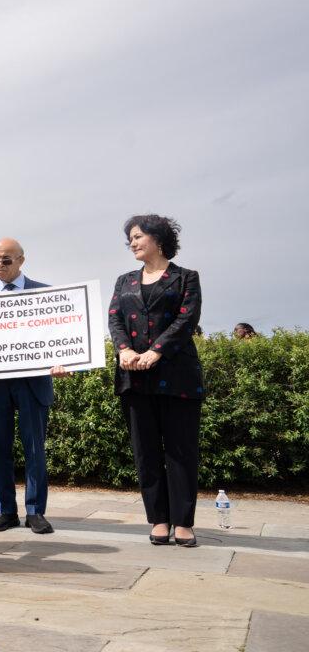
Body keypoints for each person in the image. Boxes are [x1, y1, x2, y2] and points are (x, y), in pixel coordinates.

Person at [109, 214, 203, 547]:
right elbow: (115, 319)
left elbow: (186, 320)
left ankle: (183, 522)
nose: (132, 243)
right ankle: (159, 519)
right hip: (133, 377)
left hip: (177, 377)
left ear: (158, 238)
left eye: (137, 236)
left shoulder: (185, 278)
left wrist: (156, 351)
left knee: (180, 451)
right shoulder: (124, 281)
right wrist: (123, 350)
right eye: (130, 239)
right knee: (145, 451)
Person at [0, 238, 67, 534]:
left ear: (21, 260)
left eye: (5, 260)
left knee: (35, 449)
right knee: (0, 450)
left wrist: (62, 362)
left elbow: (59, 337)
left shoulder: (45, 294)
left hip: (33, 384)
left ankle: (35, 511)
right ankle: (6, 511)